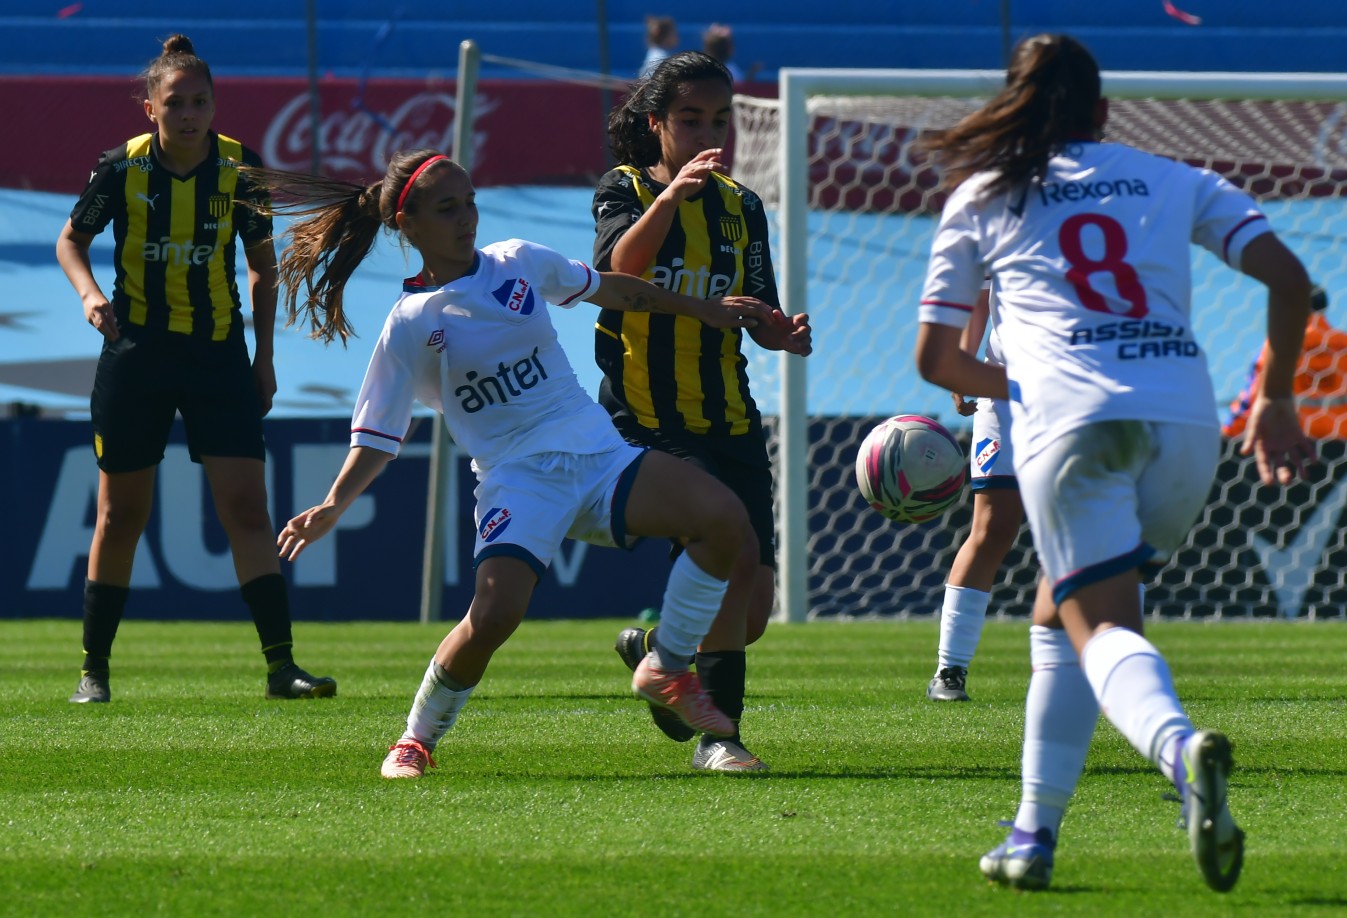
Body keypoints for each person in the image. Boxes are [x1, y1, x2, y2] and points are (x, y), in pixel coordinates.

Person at [914, 33, 1314, 892]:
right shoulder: (1178, 180)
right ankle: (1030, 834)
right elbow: (1290, 281)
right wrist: (1276, 399)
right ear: (1103, 112)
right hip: (1185, 428)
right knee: (1058, 613)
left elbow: (936, 363)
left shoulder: (982, 193)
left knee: (1100, 628)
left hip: (1073, 430)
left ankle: (1178, 754)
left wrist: (1027, 381)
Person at [244, 150, 777, 780]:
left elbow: (617, 288)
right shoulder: (412, 322)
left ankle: (667, 665)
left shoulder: (518, 260)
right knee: (493, 616)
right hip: (518, 481)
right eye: (447, 208)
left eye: (469, 200)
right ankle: (415, 740)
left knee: (724, 521)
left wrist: (704, 310)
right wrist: (333, 504)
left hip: (600, 455)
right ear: (407, 223)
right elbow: (379, 432)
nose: (466, 217)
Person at [54, 34, 336, 704]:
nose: (188, 114)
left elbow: (264, 267)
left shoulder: (240, 169)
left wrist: (264, 359)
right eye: (174, 102)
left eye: (199, 101)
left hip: (216, 355)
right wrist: (91, 297)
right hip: (136, 354)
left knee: (244, 506)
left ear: (214, 106)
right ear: (150, 108)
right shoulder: (121, 169)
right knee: (121, 514)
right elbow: (71, 239)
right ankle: (94, 670)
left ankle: (280, 668)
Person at [594, 50, 812, 773]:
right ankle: (721, 739)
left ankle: (661, 655)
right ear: (655, 125)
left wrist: (779, 332)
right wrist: (670, 199)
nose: (707, 133)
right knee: (732, 547)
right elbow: (618, 274)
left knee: (749, 614)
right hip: (649, 418)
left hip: (731, 417)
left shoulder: (743, 208)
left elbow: (754, 309)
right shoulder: (623, 188)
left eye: (720, 119)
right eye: (689, 119)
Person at [926, 286, 1026, 702]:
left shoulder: (1095, 222)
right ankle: (950, 669)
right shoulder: (1001, 219)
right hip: (1003, 390)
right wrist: (964, 360)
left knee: (1090, 527)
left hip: (1077, 392)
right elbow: (982, 292)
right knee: (992, 527)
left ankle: (1107, 663)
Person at [1224, 284, 1347, 439]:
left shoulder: (1280, 344)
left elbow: (1254, 396)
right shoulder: (1344, 343)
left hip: (1293, 446)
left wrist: (1229, 433)